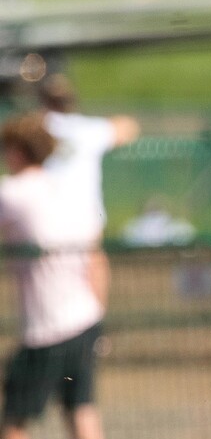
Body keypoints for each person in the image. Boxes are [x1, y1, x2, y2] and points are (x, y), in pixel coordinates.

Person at [0, 114, 111, 439]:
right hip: (86, 318)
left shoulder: (13, 193)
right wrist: (100, 321)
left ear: (16, 152)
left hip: (46, 328)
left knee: (12, 426)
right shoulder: (69, 192)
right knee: (83, 419)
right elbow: (97, 261)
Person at [35, 75, 137, 311]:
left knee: (49, 270)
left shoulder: (36, 128)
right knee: (93, 265)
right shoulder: (87, 129)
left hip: (50, 212)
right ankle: (93, 325)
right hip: (85, 213)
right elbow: (127, 127)